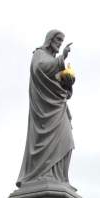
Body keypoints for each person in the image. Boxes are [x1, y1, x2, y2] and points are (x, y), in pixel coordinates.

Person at [17, 30, 75, 187]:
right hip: (45, 111)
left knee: (67, 140)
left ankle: (59, 177)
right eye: (57, 40)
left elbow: (60, 89)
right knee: (48, 142)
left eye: (61, 41)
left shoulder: (54, 62)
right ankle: (44, 174)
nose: (59, 44)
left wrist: (67, 84)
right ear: (49, 40)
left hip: (58, 108)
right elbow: (40, 69)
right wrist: (62, 58)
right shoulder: (39, 54)